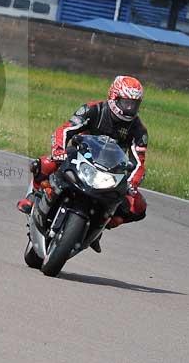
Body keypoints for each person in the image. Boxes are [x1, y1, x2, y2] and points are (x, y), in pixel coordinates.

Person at [17, 75, 148, 253]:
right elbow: (66, 129)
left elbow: (139, 162)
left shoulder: (138, 129)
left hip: (111, 169)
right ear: (113, 97)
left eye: (134, 104)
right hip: (80, 155)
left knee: (138, 206)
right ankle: (32, 198)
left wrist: (133, 183)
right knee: (44, 163)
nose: (130, 108)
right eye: (126, 103)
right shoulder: (93, 109)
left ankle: (102, 226)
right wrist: (58, 150)